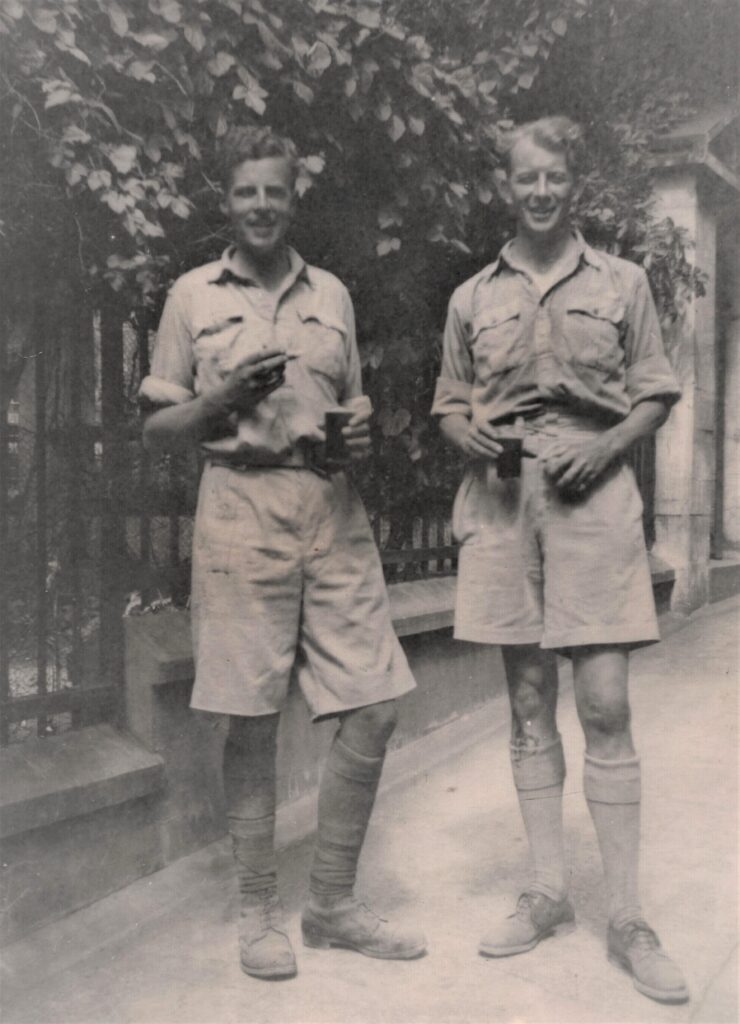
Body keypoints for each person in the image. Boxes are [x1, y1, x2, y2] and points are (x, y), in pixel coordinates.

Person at [139, 125, 425, 980]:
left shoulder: (331, 294)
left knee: (373, 707)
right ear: (226, 203)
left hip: (331, 506)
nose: (261, 205)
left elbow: (348, 412)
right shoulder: (192, 295)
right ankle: (258, 906)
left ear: (294, 198)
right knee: (251, 717)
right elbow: (157, 430)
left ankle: (331, 903)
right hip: (239, 510)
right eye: (245, 192)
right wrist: (219, 397)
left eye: (275, 191)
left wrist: (359, 437)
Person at [432, 116, 689, 1005]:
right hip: (505, 505)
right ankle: (546, 891)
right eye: (525, 178)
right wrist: (466, 433)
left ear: (573, 185)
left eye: (554, 178)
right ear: (506, 184)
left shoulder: (624, 281)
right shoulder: (471, 297)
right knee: (528, 696)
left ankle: (627, 917)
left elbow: (656, 391)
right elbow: (448, 405)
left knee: (606, 701)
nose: (539, 191)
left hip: (596, 497)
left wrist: (608, 445)